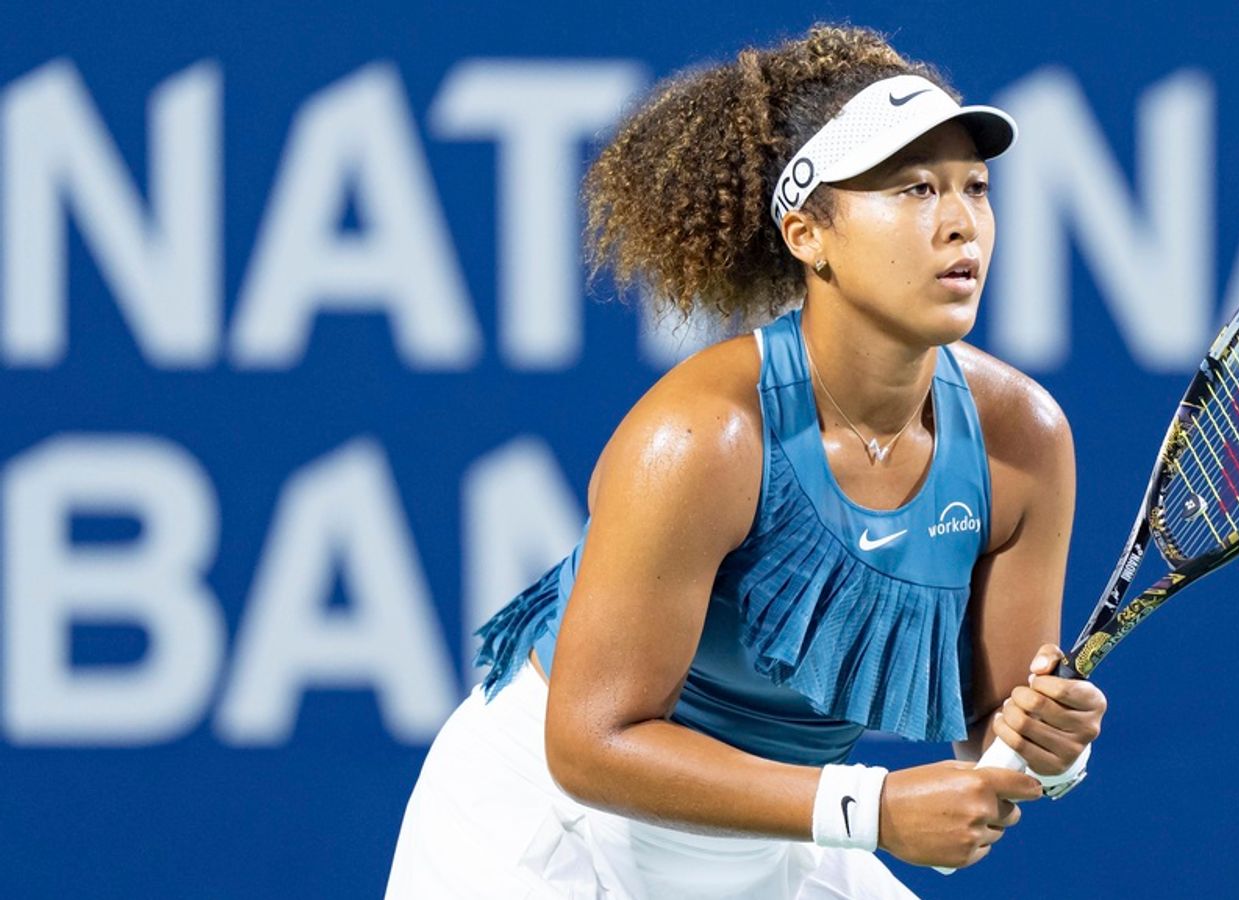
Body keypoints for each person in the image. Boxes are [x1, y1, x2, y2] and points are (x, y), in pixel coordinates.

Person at [386, 23, 1108, 899]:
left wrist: (1048, 749)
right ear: (809, 235)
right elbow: (588, 742)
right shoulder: (702, 439)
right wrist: (872, 812)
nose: (960, 223)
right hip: (552, 827)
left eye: (974, 187)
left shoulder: (1022, 439)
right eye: (914, 189)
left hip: (772, 835)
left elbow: (995, 736)